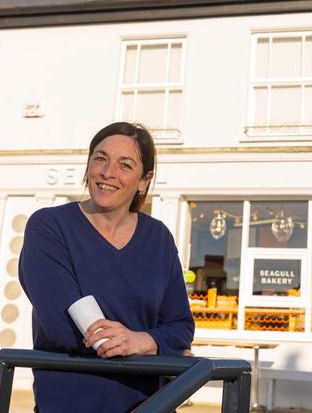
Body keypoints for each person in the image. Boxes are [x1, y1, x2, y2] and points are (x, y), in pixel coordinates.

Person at [19, 122, 194, 412]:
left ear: (143, 180)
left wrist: (141, 340)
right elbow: (65, 329)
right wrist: (158, 345)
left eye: (125, 165)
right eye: (100, 158)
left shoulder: (159, 238)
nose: (107, 172)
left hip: (151, 405)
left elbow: (181, 326)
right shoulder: (49, 227)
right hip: (71, 405)